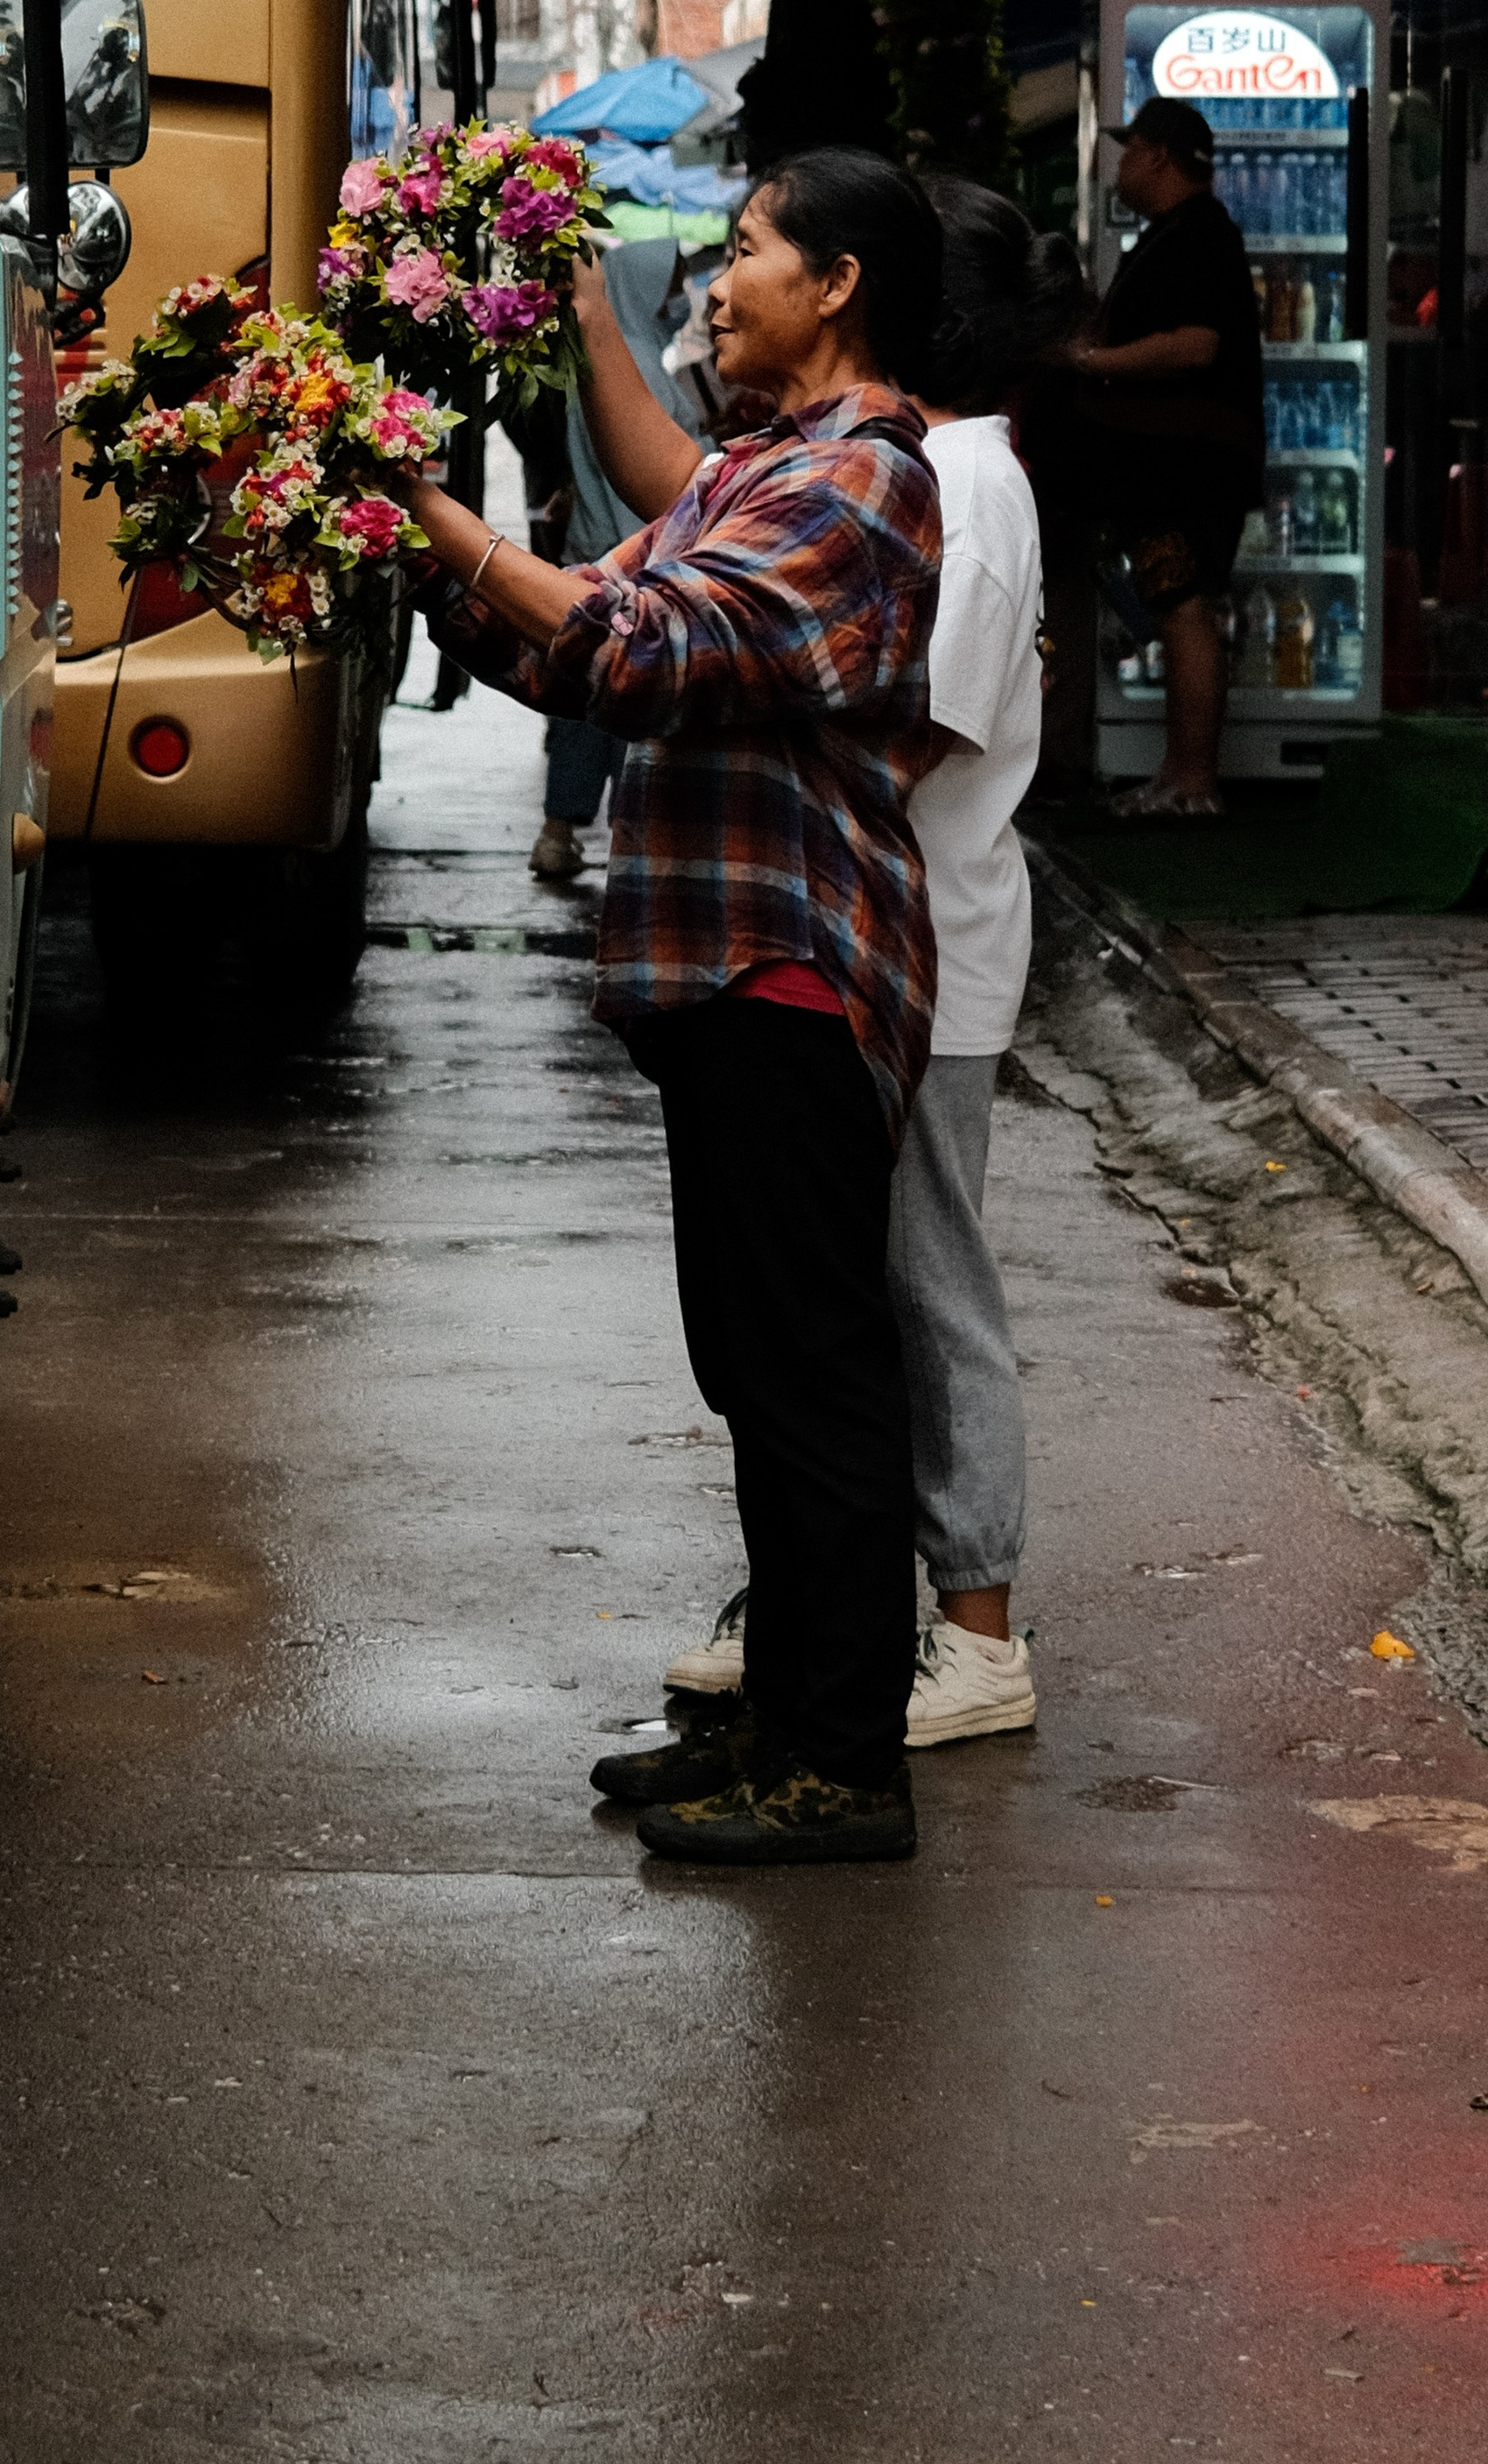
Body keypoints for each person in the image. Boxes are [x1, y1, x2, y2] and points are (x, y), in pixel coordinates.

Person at [408, 151, 950, 1867]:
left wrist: (443, 524)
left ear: (837, 283)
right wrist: (405, 539)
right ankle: (779, 1722)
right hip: (720, 976)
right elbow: (574, 648)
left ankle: (841, 1763)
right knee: (752, 1363)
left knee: (809, 1372)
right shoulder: (753, 470)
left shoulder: (860, 481)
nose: (714, 286)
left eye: (742, 252)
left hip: (792, 969)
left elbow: (647, 651)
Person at [663, 180, 1084, 1746]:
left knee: (920, 1290)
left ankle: (975, 1628)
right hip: (870, 943)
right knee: (834, 1310)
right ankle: (819, 1610)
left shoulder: (961, 483)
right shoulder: (900, 463)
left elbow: (903, 742)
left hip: (922, 956)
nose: (727, 284)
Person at [1034, 95, 1262, 819]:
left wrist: (1095, 359)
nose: (1121, 163)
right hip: (1167, 470)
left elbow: (1195, 345)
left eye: (1130, 148)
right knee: (1175, 608)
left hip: (1185, 471)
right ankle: (1177, 772)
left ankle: (1194, 779)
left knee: (1186, 610)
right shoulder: (1182, 234)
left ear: (1159, 155)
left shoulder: (1196, 236)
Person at [528, 237, 716, 883]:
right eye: (669, 283)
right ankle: (630, 844)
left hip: (592, 543)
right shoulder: (636, 364)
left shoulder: (607, 360)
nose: (679, 297)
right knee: (632, 709)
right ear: (637, 286)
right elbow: (667, 473)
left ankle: (559, 830)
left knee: (587, 705)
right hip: (637, 555)